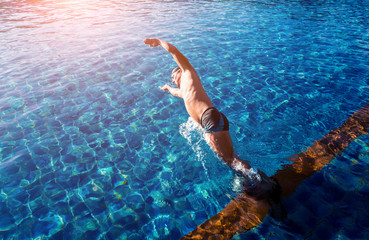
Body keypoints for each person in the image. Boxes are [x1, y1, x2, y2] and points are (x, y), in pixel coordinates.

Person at [144, 38, 281, 201]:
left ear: (181, 71)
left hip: (210, 118)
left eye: (174, 75)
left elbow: (173, 51)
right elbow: (176, 92)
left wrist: (158, 42)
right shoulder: (185, 91)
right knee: (230, 158)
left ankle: (263, 184)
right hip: (212, 120)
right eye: (172, 79)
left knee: (230, 160)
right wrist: (167, 88)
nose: (174, 79)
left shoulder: (188, 72)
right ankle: (256, 180)